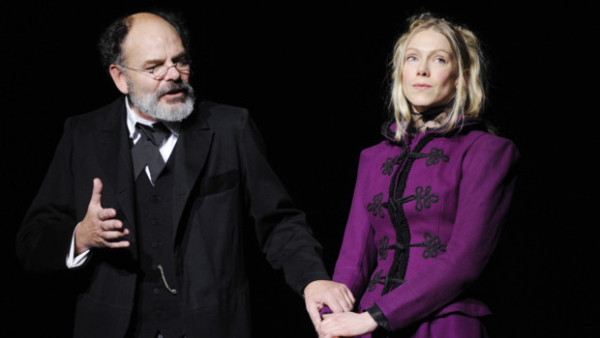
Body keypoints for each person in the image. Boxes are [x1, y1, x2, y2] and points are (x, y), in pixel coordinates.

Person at [16, 11, 354, 338]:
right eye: (155, 67)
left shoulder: (230, 128)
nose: (174, 74)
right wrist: (81, 236)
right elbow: (32, 240)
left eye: (180, 60)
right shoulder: (83, 135)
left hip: (212, 325)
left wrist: (313, 279)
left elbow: (279, 222)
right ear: (120, 77)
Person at [317, 12, 519, 338]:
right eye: (413, 58)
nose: (422, 69)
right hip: (365, 325)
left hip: (444, 323)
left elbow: (464, 261)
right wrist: (331, 319)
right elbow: (353, 259)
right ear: (401, 73)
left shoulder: (487, 151)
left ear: (461, 77)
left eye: (438, 59)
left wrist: (374, 317)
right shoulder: (373, 157)